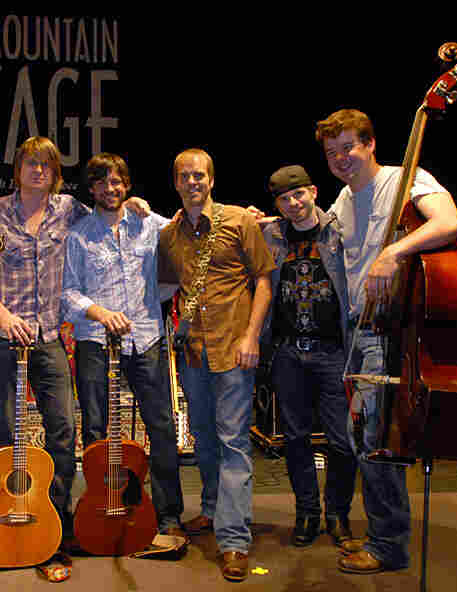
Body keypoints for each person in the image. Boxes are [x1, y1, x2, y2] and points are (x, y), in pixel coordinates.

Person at [0, 137, 151, 580]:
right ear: (17, 169)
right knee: (10, 436)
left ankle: (57, 524)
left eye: (46, 165)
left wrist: (134, 203)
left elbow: (109, 213)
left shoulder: (69, 210)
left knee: (63, 431)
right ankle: (12, 522)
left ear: (55, 173)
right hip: (3, 339)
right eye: (31, 164)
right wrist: (3, 315)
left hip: (48, 339)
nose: (39, 171)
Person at [316, 108, 457, 574]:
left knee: (374, 438)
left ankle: (388, 545)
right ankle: (384, 534)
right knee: (364, 437)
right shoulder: (343, 199)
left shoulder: (405, 178)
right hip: (357, 328)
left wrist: (394, 252)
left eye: (349, 147)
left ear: (371, 144)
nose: (341, 158)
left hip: (388, 329)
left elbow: (450, 222)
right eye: (332, 152)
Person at [158, 148, 275, 582]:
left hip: (234, 349)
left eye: (199, 175)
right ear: (176, 182)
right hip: (193, 352)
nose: (193, 182)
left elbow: (264, 279)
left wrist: (251, 336)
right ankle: (211, 508)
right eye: (185, 176)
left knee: (233, 443)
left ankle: (234, 539)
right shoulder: (170, 235)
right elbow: (165, 287)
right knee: (204, 439)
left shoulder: (240, 221)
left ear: (211, 179)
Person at [61, 152, 185, 538]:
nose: (109, 188)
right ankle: (101, 509)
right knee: (96, 430)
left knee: (161, 427)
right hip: (95, 343)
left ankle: (168, 515)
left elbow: (190, 231)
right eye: (101, 182)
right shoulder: (78, 235)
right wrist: (100, 313)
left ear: (127, 185)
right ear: (91, 188)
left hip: (146, 339)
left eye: (116, 181)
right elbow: (67, 293)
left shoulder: (150, 224)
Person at [259, 165, 357, 549]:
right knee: (295, 438)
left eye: (298, 194)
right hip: (288, 353)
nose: (293, 204)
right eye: (284, 199)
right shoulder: (271, 234)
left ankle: (338, 514)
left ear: (314, 191)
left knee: (342, 441)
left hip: (333, 353)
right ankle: (307, 512)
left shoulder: (339, 231)